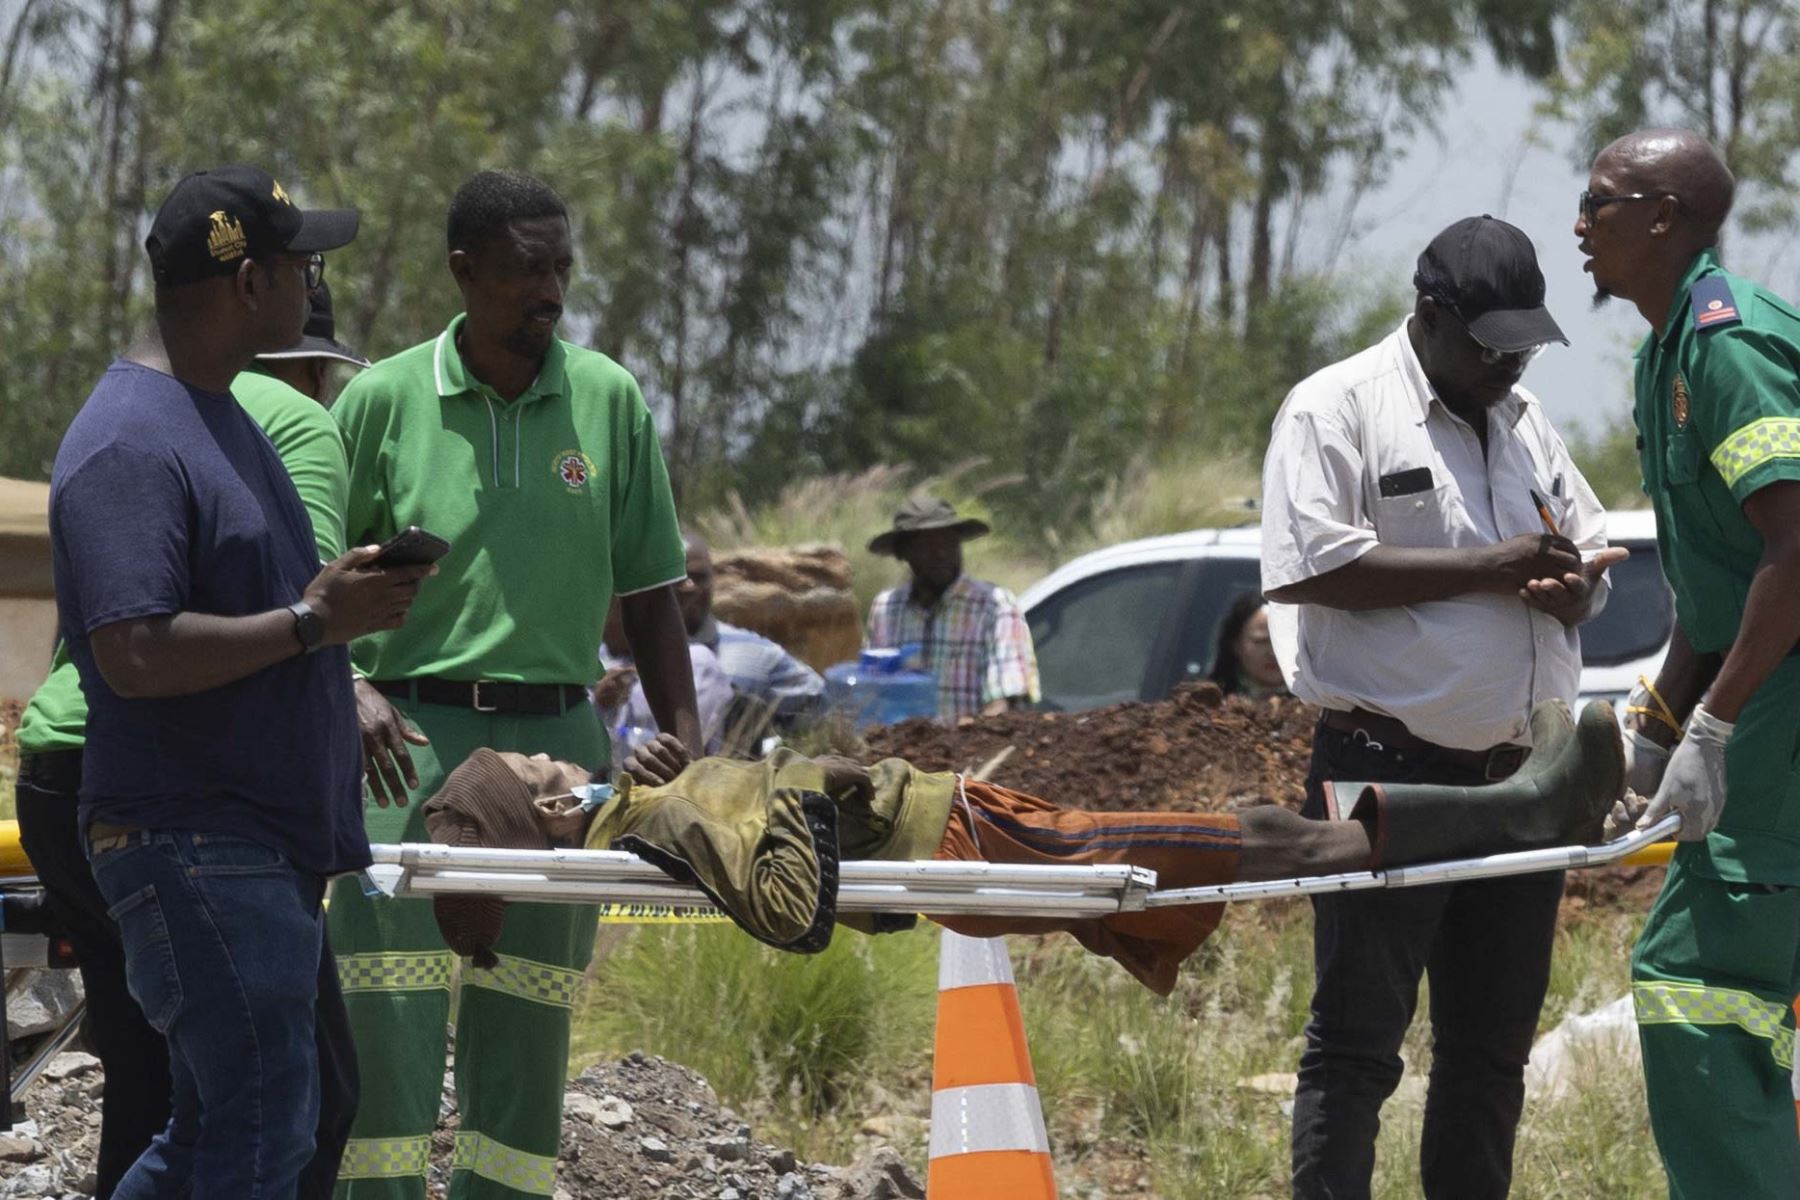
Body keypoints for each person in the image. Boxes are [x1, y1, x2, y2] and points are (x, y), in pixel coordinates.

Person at [46, 165, 430, 1199]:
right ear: (248, 280)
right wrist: (313, 622)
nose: (317, 283)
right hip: (198, 842)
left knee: (233, 1135)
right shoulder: (132, 439)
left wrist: (335, 605)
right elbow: (133, 653)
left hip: (247, 848)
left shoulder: (221, 418)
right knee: (256, 1139)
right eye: (305, 262)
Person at [327, 168, 700, 1200]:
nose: (552, 291)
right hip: (396, 744)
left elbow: (656, 595)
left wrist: (686, 744)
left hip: (559, 755)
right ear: (464, 270)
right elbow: (312, 581)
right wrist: (339, 685)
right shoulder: (379, 401)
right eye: (528, 269)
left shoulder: (611, 401)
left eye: (563, 269)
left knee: (530, 1025)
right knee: (388, 1021)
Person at [418, 693, 1622, 998]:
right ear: (538, 818)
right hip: (964, 839)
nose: (548, 759)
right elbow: (788, 899)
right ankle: (1530, 804)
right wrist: (808, 788)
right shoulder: (658, 810)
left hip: (965, 841)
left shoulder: (645, 804)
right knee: (1262, 838)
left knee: (1253, 844)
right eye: (530, 775)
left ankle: (1528, 801)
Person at [1260, 215, 1625, 1199]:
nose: (1508, 363)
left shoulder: (1526, 421)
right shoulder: (1335, 408)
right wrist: (1491, 569)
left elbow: (1584, 554)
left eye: (1522, 344)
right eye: (1489, 343)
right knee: (1357, 1051)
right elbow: (1309, 571)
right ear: (1430, 315)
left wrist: (1574, 589)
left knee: (1487, 1057)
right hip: (1388, 772)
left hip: (1521, 780)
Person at [1576, 129, 1800, 1194]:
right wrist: (1657, 725)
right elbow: (1718, 584)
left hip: (1782, 719)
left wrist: (1715, 725)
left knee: (1693, 984)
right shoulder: (1666, 356)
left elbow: (1798, 548)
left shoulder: (1729, 345)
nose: (1580, 226)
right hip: (1760, 706)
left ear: (1663, 218)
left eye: (1601, 203)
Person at [865, 496, 1039, 719]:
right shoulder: (886, 609)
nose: (941, 553)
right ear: (904, 553)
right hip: (896, 749)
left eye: (948, 542)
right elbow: (873, 691)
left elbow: (1005, 701)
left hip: (971, 747)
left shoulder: (993, 606)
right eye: (927, 545)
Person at [678, 532, 825, 726]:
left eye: (700, 577)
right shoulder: (631, 653)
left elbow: (822, 705)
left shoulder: (757, 653)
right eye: (679, 576)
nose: (690, 587)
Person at [596, 597, 732, 753]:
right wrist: (601, 705)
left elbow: (687, 743)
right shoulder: (598, 661)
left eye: (610, 609)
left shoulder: (695, 662)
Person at [1207, 593, 1289, 698]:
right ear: (1236, 644)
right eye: (1260, 641)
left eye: (1282, 642)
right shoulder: (1206, 701)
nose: (1273, 653)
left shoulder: (1314, 703)